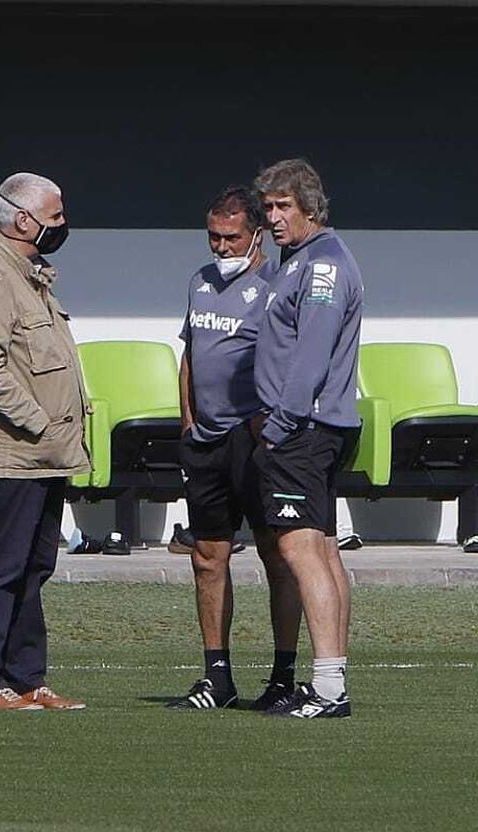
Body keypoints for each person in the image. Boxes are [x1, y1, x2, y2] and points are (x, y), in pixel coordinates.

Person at [0, 172, 90, 712]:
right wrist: (37, 421)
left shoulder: (32, 275)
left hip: (44, 457)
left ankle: (27, 678)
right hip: (11, 454)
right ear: (23, 219)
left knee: (35, 568)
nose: (62, 224)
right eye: (55, 216)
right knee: (0, 569)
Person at [167, 186, 303, 711]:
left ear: (257, 235)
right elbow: (191, 355)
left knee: (278, 554)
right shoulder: (200, 283)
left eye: (232, 238)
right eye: (213, 237)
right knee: (207, 557)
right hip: (205, 443)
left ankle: (282, 676)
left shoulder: (277, 283)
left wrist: (269, 428)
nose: (221, 247)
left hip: (257, 442)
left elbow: (293, 360)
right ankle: (216, 679)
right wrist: (187, 423)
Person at [251, 158, 362, 719]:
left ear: (312, 208)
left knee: (299, 547)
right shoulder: (296, 264)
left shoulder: (323, 267)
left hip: (303, 428)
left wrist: (278, 424)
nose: (272, 217)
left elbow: (311, 358)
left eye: (283, 206)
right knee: (319, 546)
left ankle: (327, 689)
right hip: (314, 427)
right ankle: (330, 681)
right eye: (267, 207)